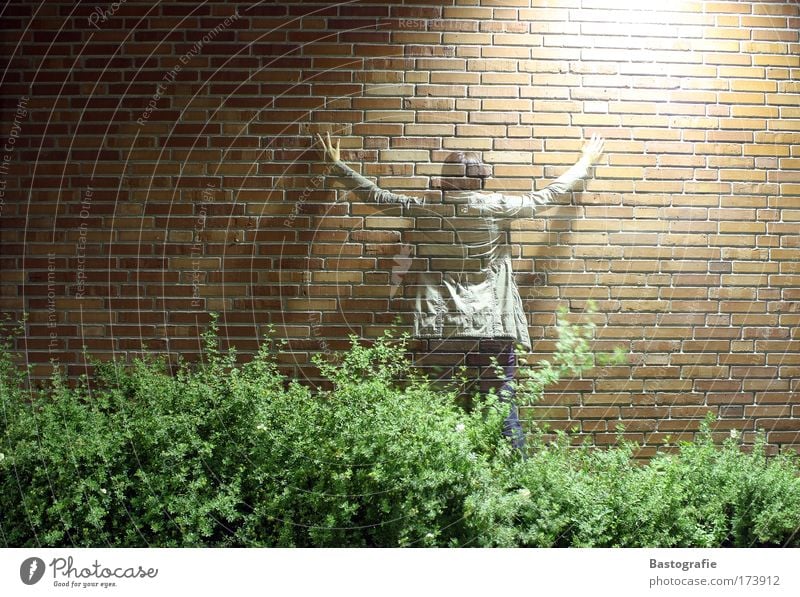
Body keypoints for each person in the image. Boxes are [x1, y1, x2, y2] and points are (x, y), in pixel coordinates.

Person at [316, 131, 605, 450]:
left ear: (445, 179)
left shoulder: (422, 208)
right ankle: (515, 486)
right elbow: (548, 196)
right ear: (478, 181)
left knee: (440, 413)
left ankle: (443, 488)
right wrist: (584, 162)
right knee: (502, 412)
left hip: (441, 329)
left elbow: (377, 196)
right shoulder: (498, 206)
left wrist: (338, 166)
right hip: (492, 326)